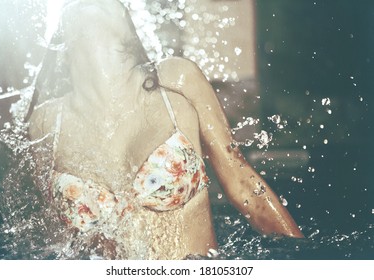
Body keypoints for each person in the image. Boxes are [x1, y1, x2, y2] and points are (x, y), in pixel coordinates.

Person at [28, 0, 303, 260]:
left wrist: (303, 258)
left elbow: (240, 180)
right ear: (61, 41)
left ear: (130, 30)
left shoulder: (174, 80)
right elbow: (55, 241)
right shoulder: (47, 121)